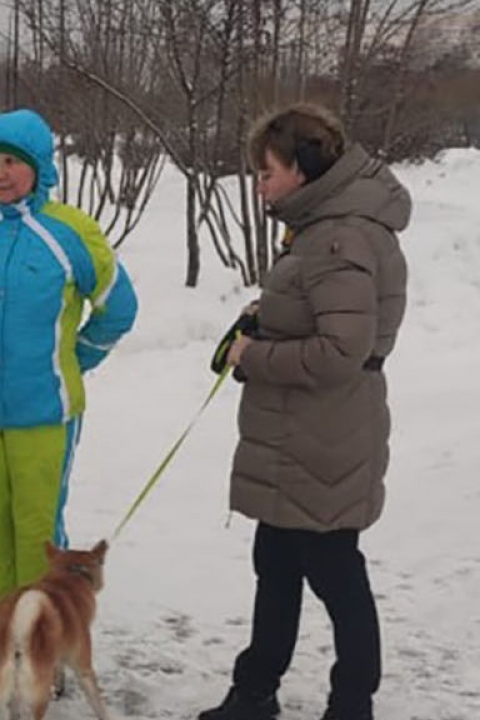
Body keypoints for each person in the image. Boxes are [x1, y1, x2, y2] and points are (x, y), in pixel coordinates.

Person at [199, 103, 410, 720]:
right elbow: (320, 314)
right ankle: (256, 690)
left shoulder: (340, 236)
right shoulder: (321, 228)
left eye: (267, 172)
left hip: (328, 436)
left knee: (334, 571)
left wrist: (254, 354)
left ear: (305, 167)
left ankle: (352, 705)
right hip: (299, 436)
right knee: (277, 562)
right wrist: (263, 319)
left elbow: (343, 351)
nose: (259, 184)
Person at [0, 108, 138, 677]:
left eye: (12, 163)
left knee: (37, 536)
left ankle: (44, 644)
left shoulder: (70, 232)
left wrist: (75, 358)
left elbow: (118, 308)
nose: (0, 174)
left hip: (43, 415)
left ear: (40, 168)